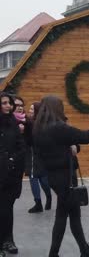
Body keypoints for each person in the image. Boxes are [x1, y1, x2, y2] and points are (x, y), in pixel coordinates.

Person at [33, 95, 89, 257]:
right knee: (63, 216)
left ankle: (84, 250)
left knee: (72, 214)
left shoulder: (39, 128)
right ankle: (56, 253)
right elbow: (85, 137)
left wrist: (72, 148)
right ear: (57, 108)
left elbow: (64, 147)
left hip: (54, 177)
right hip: (65, 177)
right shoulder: (58, 127)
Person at [0, 92, 26, 256]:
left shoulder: (14, 124)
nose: (8, 106)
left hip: (10, 175)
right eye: (4, 103)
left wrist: (12, 160)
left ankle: (8, 240)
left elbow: (21, 147)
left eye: (9, 103)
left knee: (7, 209)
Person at [24, 102, 53, 213]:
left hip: (39, 155)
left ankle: (48, 196)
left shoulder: (38, 124)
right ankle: (38, 203)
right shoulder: (28, 122)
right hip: (31, 155)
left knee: (43, 180)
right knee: (33, 178)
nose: (29, 111)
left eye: (32, 109)